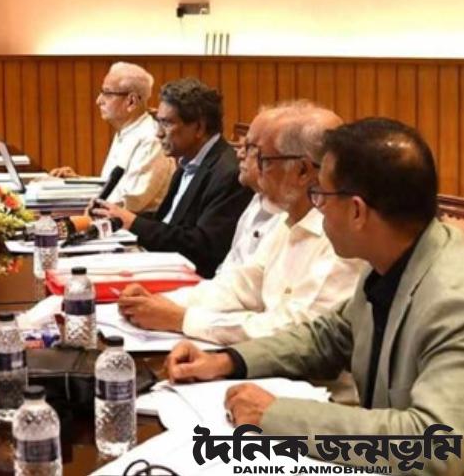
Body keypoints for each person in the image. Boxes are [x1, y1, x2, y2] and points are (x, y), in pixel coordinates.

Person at [165, 118, 464, 473]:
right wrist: (227, 361)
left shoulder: (452, 300)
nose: (316, 206)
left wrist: (277, 416)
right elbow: (329, 336)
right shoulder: (389, 257)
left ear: (357, 211)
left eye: (321, 194)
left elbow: (438, 446)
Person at [117, 103, 363, 345]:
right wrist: (160, 302)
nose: (249, 162)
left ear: (302, 171)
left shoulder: (341, 235)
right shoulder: (285, 218)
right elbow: (241, 285)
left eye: (263, 158)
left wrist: (182, 319)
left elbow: (297, 332)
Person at [94, 77, 253, 278]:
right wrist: (119, 217)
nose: (158, 133)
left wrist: (134, 223)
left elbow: (204, 247)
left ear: (199, 128)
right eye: (158, 122)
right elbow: (170, 222)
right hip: (165, 263)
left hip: (194, 278)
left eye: (166, 123)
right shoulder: (188, 161)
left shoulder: (229, 174)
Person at [49, 62, 175, 213]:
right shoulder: (128, 130)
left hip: (135, 225)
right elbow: (115, 188)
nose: (99, 101)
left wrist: (75, 196)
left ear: (131, 101)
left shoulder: (150, 139)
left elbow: (129, 202)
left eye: (107, 93)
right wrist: (78, 182)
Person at [214, 108, 282, 275]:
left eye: (250, 147)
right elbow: (229, 267)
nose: (239, 154)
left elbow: (254, 284)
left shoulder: (295, 219)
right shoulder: (258, 196)